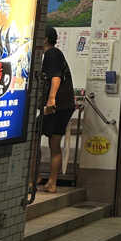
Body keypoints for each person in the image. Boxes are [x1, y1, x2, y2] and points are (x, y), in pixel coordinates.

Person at [40, 26, 75, 193]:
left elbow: (55, 77)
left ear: (46, 39)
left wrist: (51, 99)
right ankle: (45, 180)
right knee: (53, 142)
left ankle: (46, 181)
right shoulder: (54, 53)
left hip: (57, 105)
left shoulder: (51, 53)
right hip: (63, 105)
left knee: (51, 142)